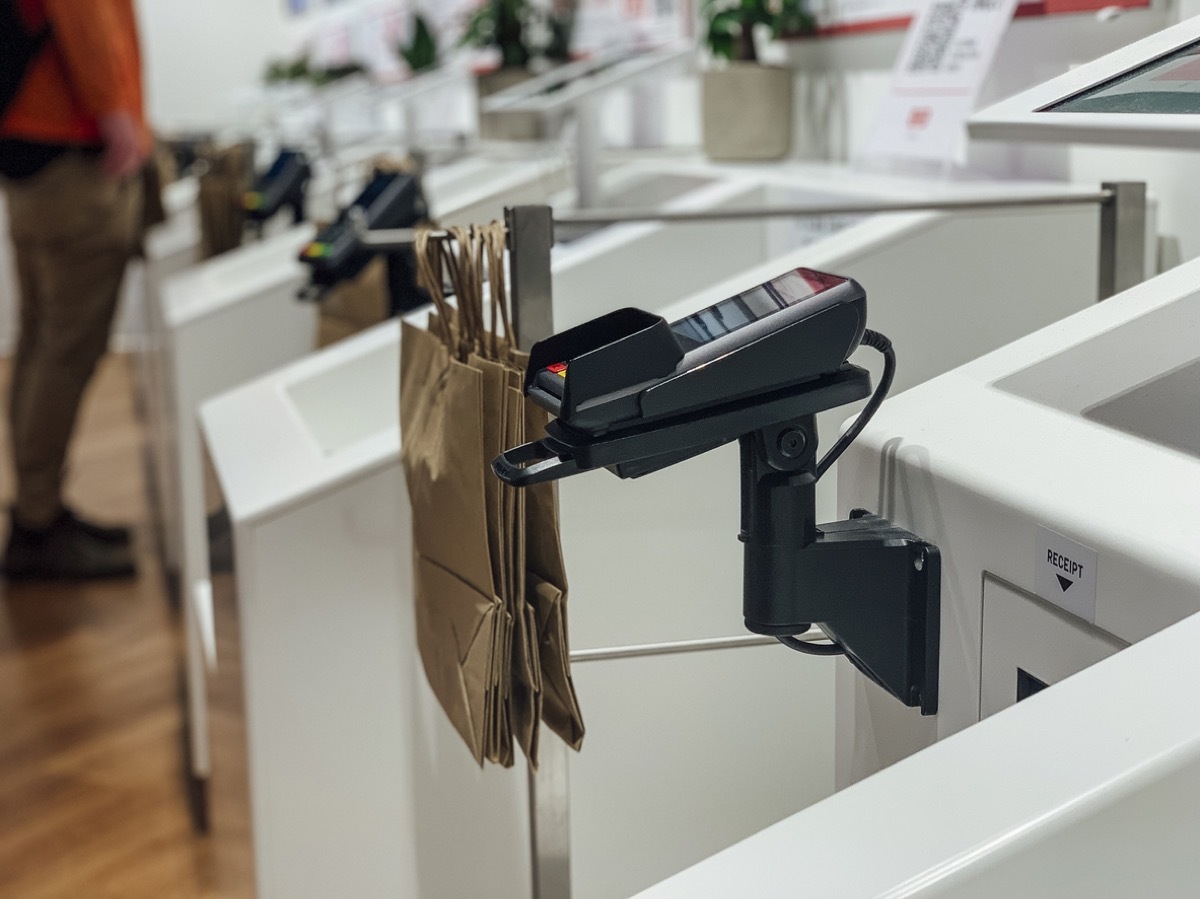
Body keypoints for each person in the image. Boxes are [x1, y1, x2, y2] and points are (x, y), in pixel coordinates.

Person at [0, 0, 151, 580]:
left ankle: (37, 510)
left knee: (42, 342)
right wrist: (116, 111)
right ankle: (37, 525)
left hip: (32, 143)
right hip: (72, 145)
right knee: (64, 349)